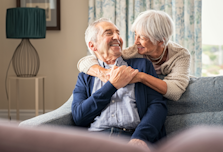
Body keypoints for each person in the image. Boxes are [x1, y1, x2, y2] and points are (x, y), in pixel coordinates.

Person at [72, 18, 167, 150]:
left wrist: (140, 138)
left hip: (131, 137)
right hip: (96, 140)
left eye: (118, 33)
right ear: (93, 45)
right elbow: (79, 116)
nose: (117, 37)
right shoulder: (85, 76)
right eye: (108, 33)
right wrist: (112, 86)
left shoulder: (141, 66)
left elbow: (157, 106)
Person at [77, 10, 190, 101]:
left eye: (142, 37)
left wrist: (141, 77)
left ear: (161, 41)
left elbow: (175, 92)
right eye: (135, 35)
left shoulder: (180, 55)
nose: (136, 42)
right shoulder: (134, 52)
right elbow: (85, 61)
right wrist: (102, 72)